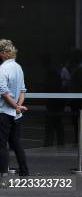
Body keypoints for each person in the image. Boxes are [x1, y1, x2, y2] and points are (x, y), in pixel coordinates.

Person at [0, 40, 28, 176]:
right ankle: (24, 170)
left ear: (3, 53)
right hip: (16, 113)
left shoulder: (2, 69)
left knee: (2, 143)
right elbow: (23, 89)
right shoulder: (18, 67)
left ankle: (3, 173)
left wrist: (15, 106)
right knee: (16, 142)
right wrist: (18, 106)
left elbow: (3, 92)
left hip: (4, 111)